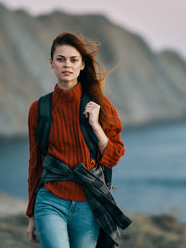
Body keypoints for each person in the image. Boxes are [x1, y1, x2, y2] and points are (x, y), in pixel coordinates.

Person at [25, 32, 125, 248]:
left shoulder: (100, 105)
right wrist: (31, 214)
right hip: (49, 200)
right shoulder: (39, 108)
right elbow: (35, 164)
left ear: (81, 65)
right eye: (60, 59)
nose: (66, 65)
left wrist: (96, 127)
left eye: (73, 60)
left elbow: (114, 156)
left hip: (88, 205)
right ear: (51, 63)